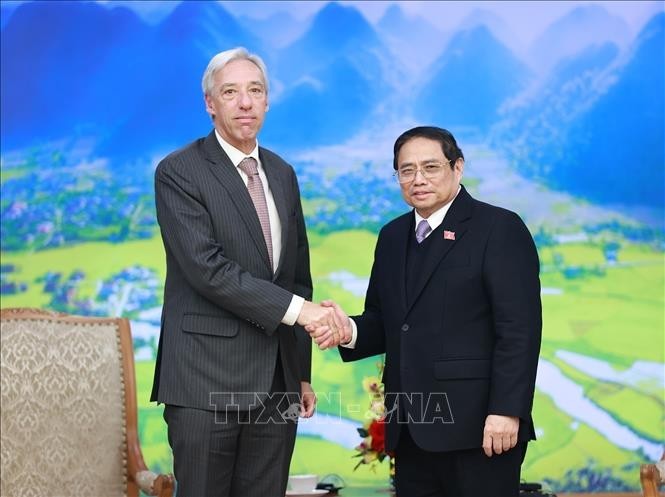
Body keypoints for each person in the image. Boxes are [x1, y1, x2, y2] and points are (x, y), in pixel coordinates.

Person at [309, 126, 542, 497]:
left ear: (458, 167)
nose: (418, 179)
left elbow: (519, 331)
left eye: (430, 167)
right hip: (411, 430)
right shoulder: (391, 237)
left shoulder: (498, 228)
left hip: (480, 429)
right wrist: (347, 331)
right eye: (406, 170)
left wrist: (507, 411)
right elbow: (387, 322)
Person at [151, 47, 340, 497]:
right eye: (230, 92)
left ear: (268, 101)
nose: (245, 102)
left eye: (255, 91)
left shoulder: (282, 172)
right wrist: (303, 313)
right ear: (210, 104)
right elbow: (208, 270)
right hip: (204, 380)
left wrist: (300, 374)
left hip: (276, 384)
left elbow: (296, 276)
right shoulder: (179, 172)